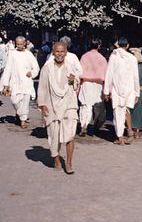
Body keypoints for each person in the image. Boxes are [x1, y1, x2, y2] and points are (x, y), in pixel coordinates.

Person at [37, 43, 78, 174]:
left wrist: (73, 80)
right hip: (51, 106)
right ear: (53, 53)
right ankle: (56, 160)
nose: (60, 53)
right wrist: (42, 104)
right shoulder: (46, 68)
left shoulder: (71, 67)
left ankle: (69, 162)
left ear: (66, 53)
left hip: (69, 105)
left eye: (62, 51)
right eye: (57, 51)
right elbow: (42, 87)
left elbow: (75, 85)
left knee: (70, 134)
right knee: (53, 135)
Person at [104, 38, 140, 145]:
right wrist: (137, 92)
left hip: (116, 89)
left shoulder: (114, 56)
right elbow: (135, 77)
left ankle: (120, 136)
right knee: (124, 111)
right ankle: (124, 134)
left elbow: (109, 74)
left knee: (117, 113)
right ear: (127, 46)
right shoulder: (132, 58)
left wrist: (106, 90)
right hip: (129, 89)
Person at [0, 36, 40, 128]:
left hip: (26, 82)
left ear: (25, 43)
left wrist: (32, 73)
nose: (19, 46)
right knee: (15, 101)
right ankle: (20, 114)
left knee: (25, 102)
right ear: (15, 43)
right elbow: (8, 69)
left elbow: (36, 68)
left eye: (21, 44)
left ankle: (23, 120)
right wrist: (5, 84)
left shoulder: (29, 54)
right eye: (17, 44)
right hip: (15, 82)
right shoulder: (12, 53)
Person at [78, 38, 107, 136]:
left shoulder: (84, 57)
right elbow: (105, 74)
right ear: (99, 46)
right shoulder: (102, 58)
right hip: (98, 84)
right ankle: (92, 125)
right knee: (97, 106)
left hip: (86, 83)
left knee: (85, 105)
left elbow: (80, 72)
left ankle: (84, 125)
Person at [130, 48, 142, 138]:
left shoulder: (130, 67)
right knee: (138, 112)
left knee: (131, 111)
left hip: (132, 91)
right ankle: (136, 131)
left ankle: (131, 130)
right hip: (140, 91)